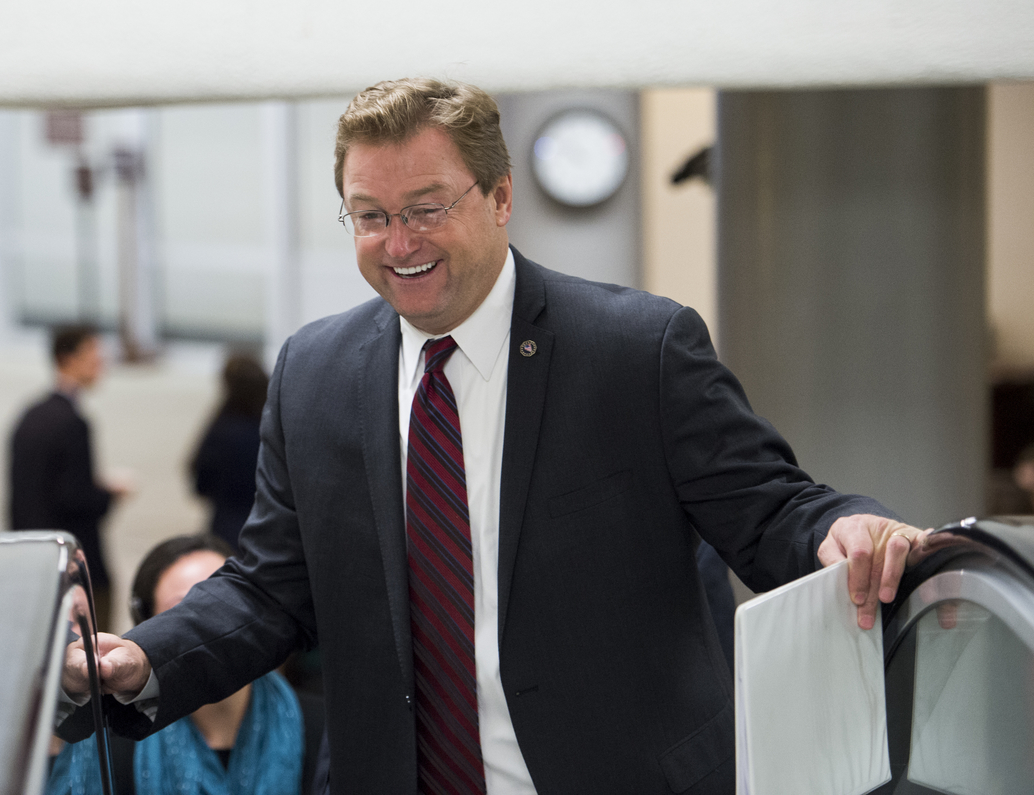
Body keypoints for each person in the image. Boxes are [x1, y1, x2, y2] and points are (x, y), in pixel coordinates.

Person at [63, 78, 940, 794]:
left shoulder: (637, 350)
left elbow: (773, 507)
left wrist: (848, 526)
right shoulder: (313, 374)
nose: (398, 242)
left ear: (501, 197)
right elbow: (267, 589)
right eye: (369, 215)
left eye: (427, 207)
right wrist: (144, 655)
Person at [48, 534, 311, 795]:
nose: (213, 628)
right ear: (147, 626)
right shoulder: (110, 747)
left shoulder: (324, 732)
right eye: (185, 612)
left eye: (228, 606)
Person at [9, 325, 125, 631]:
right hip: (73, 562)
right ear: (68, 358)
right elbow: (75, 497)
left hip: (34, 556)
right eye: (92, 355)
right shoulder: (72, 423)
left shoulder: (31, 414)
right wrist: (111, 494)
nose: (100, 363)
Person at [190, 354, 270, 547]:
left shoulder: (221, 430)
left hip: (227, 529)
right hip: (271, 528)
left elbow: (200, 482)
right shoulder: (276, 428)